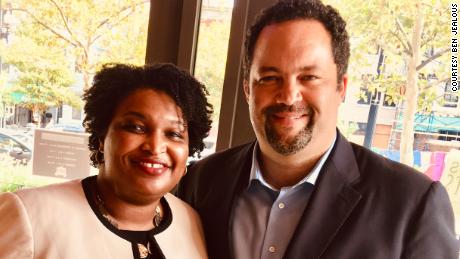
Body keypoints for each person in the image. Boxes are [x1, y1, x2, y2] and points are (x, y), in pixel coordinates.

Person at [176, 1, 459, 259]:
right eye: (270, 78)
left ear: (341, 88)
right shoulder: (201, 183)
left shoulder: (412, 204)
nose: (288, 96)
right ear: (248, 89)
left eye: (309, 77)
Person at [0, 63, 212, 259]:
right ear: (102, 137)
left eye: (174, 134)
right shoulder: (29, 215)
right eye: (136, 127)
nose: (155, 147)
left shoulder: (190, 221)